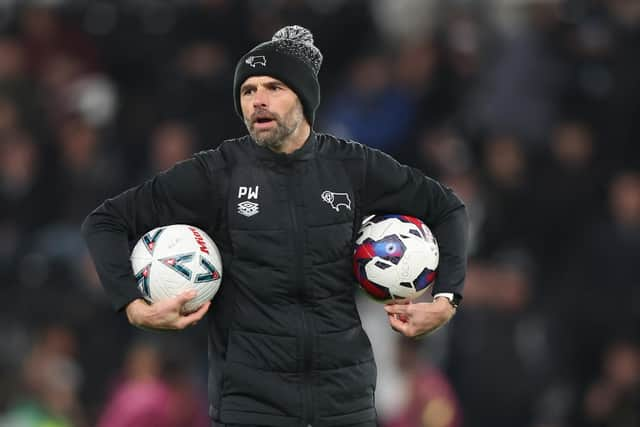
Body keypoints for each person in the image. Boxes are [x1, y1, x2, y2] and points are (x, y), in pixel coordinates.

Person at [81, 25, 468, 427]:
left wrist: (445, 302)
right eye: (248, 91)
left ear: (303, 96)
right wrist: (133, 306)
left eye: (273, 87)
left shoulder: (353, 167)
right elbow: (105, 222)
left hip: (345, 403)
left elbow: (448, 209)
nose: (258, 101)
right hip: (251, 407)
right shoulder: (217, 173)